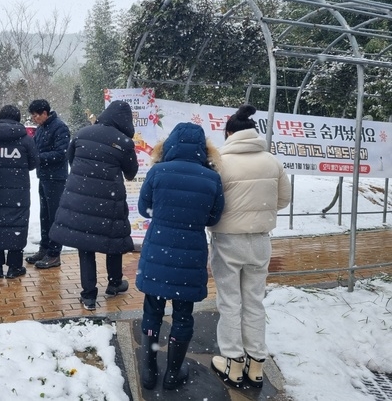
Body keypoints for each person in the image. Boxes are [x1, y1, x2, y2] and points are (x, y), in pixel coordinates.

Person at [136, 122, 224, 391]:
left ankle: (150, 370)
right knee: (184, 315)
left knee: (152, 311)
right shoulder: (211, 177)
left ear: (170, 143)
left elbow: (143, 208)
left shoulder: (158, 171)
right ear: (203, 148)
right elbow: (214, 217)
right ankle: (173, 373)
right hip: (191, 254)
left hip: (157, 252)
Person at [208, 104, 291, 388]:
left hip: (227, 240)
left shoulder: (221, 163)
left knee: (230, 302)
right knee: (254, 301)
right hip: (260, 240)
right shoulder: (272, 161)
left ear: (229, 132)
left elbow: (213, 203)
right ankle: (256, 365)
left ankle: (232, 363)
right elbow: (283, 200)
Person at [49, 100, 138, 311]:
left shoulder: (82, 133)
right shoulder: (124, 142)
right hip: (109, 199)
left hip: (79, 198)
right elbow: (131, 173)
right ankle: (115, 283)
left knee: (85, 245)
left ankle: (89, 296)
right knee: (112, 241)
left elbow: (72, 160)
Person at [0, 104, 39, 279]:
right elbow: (33, 163)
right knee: (17, 224)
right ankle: (14, 267)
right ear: (18, 118)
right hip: (18, 191)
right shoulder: (25, 139)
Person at [25, 99, 71, 269]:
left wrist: (38, 158)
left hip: (56, 178)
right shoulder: (41, 129)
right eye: (33, 116)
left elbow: (61, 153)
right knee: (44, 216)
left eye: (36, 115)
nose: (34, 118)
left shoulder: (60, 127)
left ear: (45, 113)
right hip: (44, 176)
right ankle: (44, 248)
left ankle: (54, 253)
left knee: (54, 217)